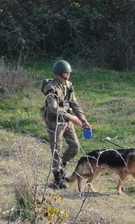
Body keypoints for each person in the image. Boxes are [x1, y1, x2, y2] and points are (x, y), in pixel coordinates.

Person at [41, 60, 92, 190]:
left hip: (66, 120)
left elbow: (74, 104)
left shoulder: (68, 85)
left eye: (69, 71)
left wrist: (83, 120)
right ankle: (57, 177)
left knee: (75, 146)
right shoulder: (51, 87)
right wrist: (71, 117)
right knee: (57, 149)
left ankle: (61, 166)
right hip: (55, 122)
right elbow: (53, 108)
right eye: (66, 72)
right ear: (59, 73)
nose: (69, 74)